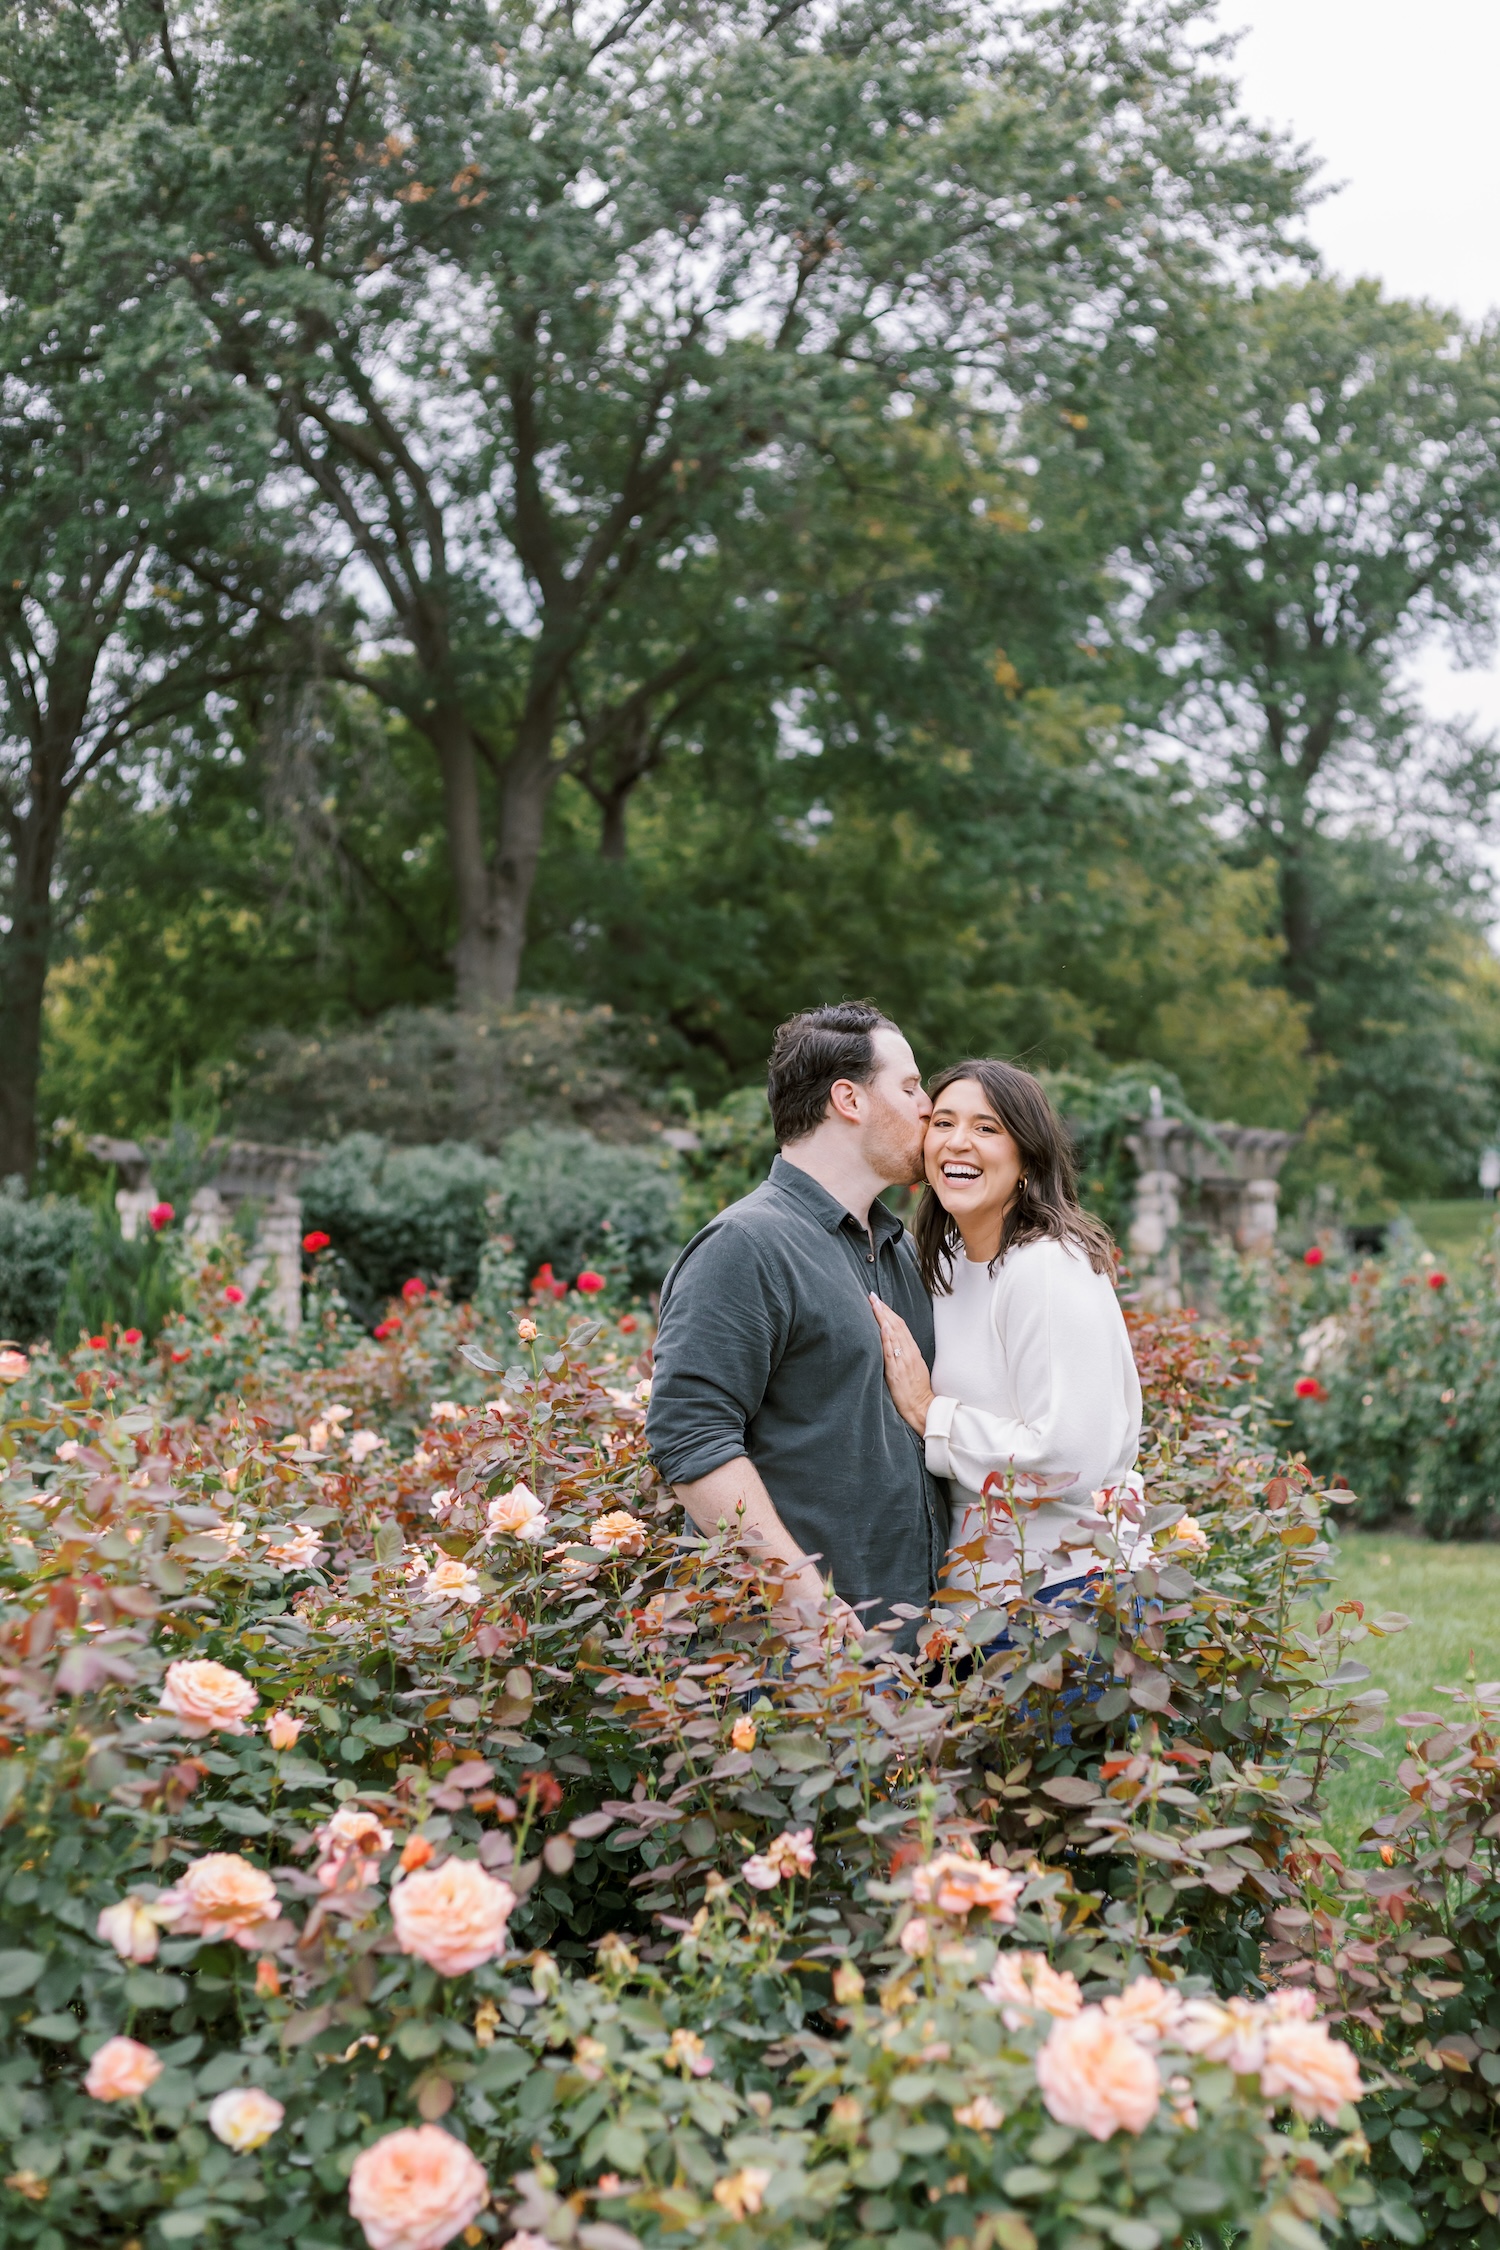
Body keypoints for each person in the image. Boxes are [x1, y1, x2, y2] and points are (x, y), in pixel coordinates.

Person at [645, 1001, 948, 1645]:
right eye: (910, 1085)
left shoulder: (896, 1248)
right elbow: (692, 1440)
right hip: (801, 1669)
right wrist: (807, 1605)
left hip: (918, 1656)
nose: (928, 1105)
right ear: (849, 1099)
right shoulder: (746, 1245)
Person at [868, 1058, 1145, 1610]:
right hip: (982, 1603)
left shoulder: (1046, 1267)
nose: (957, 1143)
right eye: (943, 1123)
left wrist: (930, 1414)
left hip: (1067, 1595)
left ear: (1026, 1160)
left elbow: (1068, 1454)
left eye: (987, 1128)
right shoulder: (941, 1266)